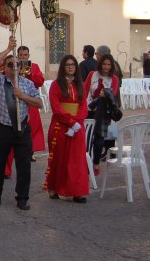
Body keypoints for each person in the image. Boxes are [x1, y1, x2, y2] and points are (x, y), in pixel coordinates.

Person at [0, 37, 43, 210]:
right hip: (1, 128)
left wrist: (23, 97)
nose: (14, 68)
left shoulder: (27, 84)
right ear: (5, 67)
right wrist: (8, 49)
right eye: (10, 65)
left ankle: (22, 198)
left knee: (24, 165)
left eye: (17, 65)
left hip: (22, 128)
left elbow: (39, 103)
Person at [44, 55, 89, 203]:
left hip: (77, 127)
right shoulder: (56, 85)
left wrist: (77, 123)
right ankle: (54, 188)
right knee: (58, 159)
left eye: (73, 65)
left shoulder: (80, 84)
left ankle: (76, 192)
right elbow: (56, 108)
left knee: (76, 160)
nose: (70, 67)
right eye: (67, 65)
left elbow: (83, 106)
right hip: (60, 126)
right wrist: (70, 122)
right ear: (63, 67)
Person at [84, 53, 120, 175]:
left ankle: (96, 163)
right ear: (100, 64)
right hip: (89, 109)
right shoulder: (92, 75)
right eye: (104, 64)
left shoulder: (114, 79)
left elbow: (112, 95)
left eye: (109, 64)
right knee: (87, 138)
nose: (106, 67)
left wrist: (105, 95)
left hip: (104, 111)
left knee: (99, 138)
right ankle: (85, 162)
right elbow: (84, 91)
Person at [16, 45, 45, 162]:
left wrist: (30, 73)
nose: (23, 57)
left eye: (25, 55)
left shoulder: (34, 66)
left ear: (29, 55)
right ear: (17, 56)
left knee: (33, 127)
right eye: (21, 55)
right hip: (17, 100)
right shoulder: (14, 66)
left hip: (30, 101)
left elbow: (40, 82)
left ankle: (30, 151)